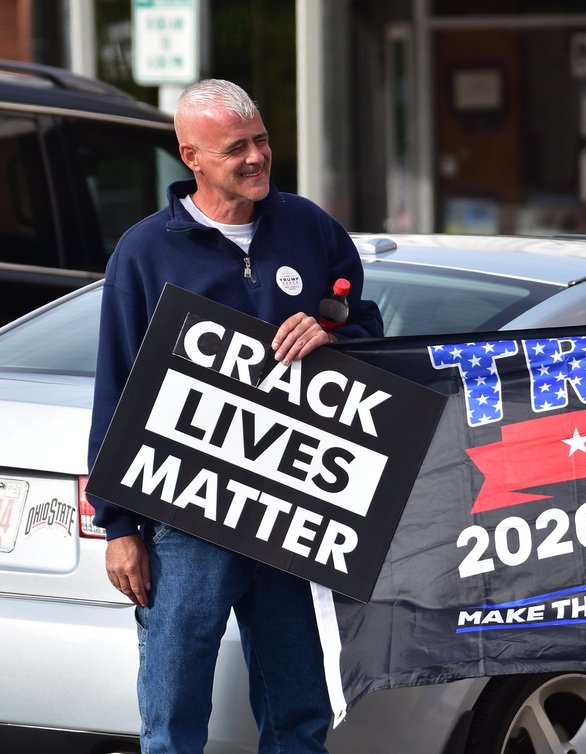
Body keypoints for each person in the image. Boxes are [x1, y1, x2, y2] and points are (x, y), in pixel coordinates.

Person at [87, 79, 383, 754]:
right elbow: (118, 385)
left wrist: (335, 338)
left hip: (296, 513)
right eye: (235, 148)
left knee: (299, 715)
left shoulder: (312, 229)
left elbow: (368, 332)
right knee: (172, 720)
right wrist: (119, 527)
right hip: (186, 515)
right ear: (191, 155)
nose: (256, 158)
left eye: (262, 140)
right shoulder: (144, 251)